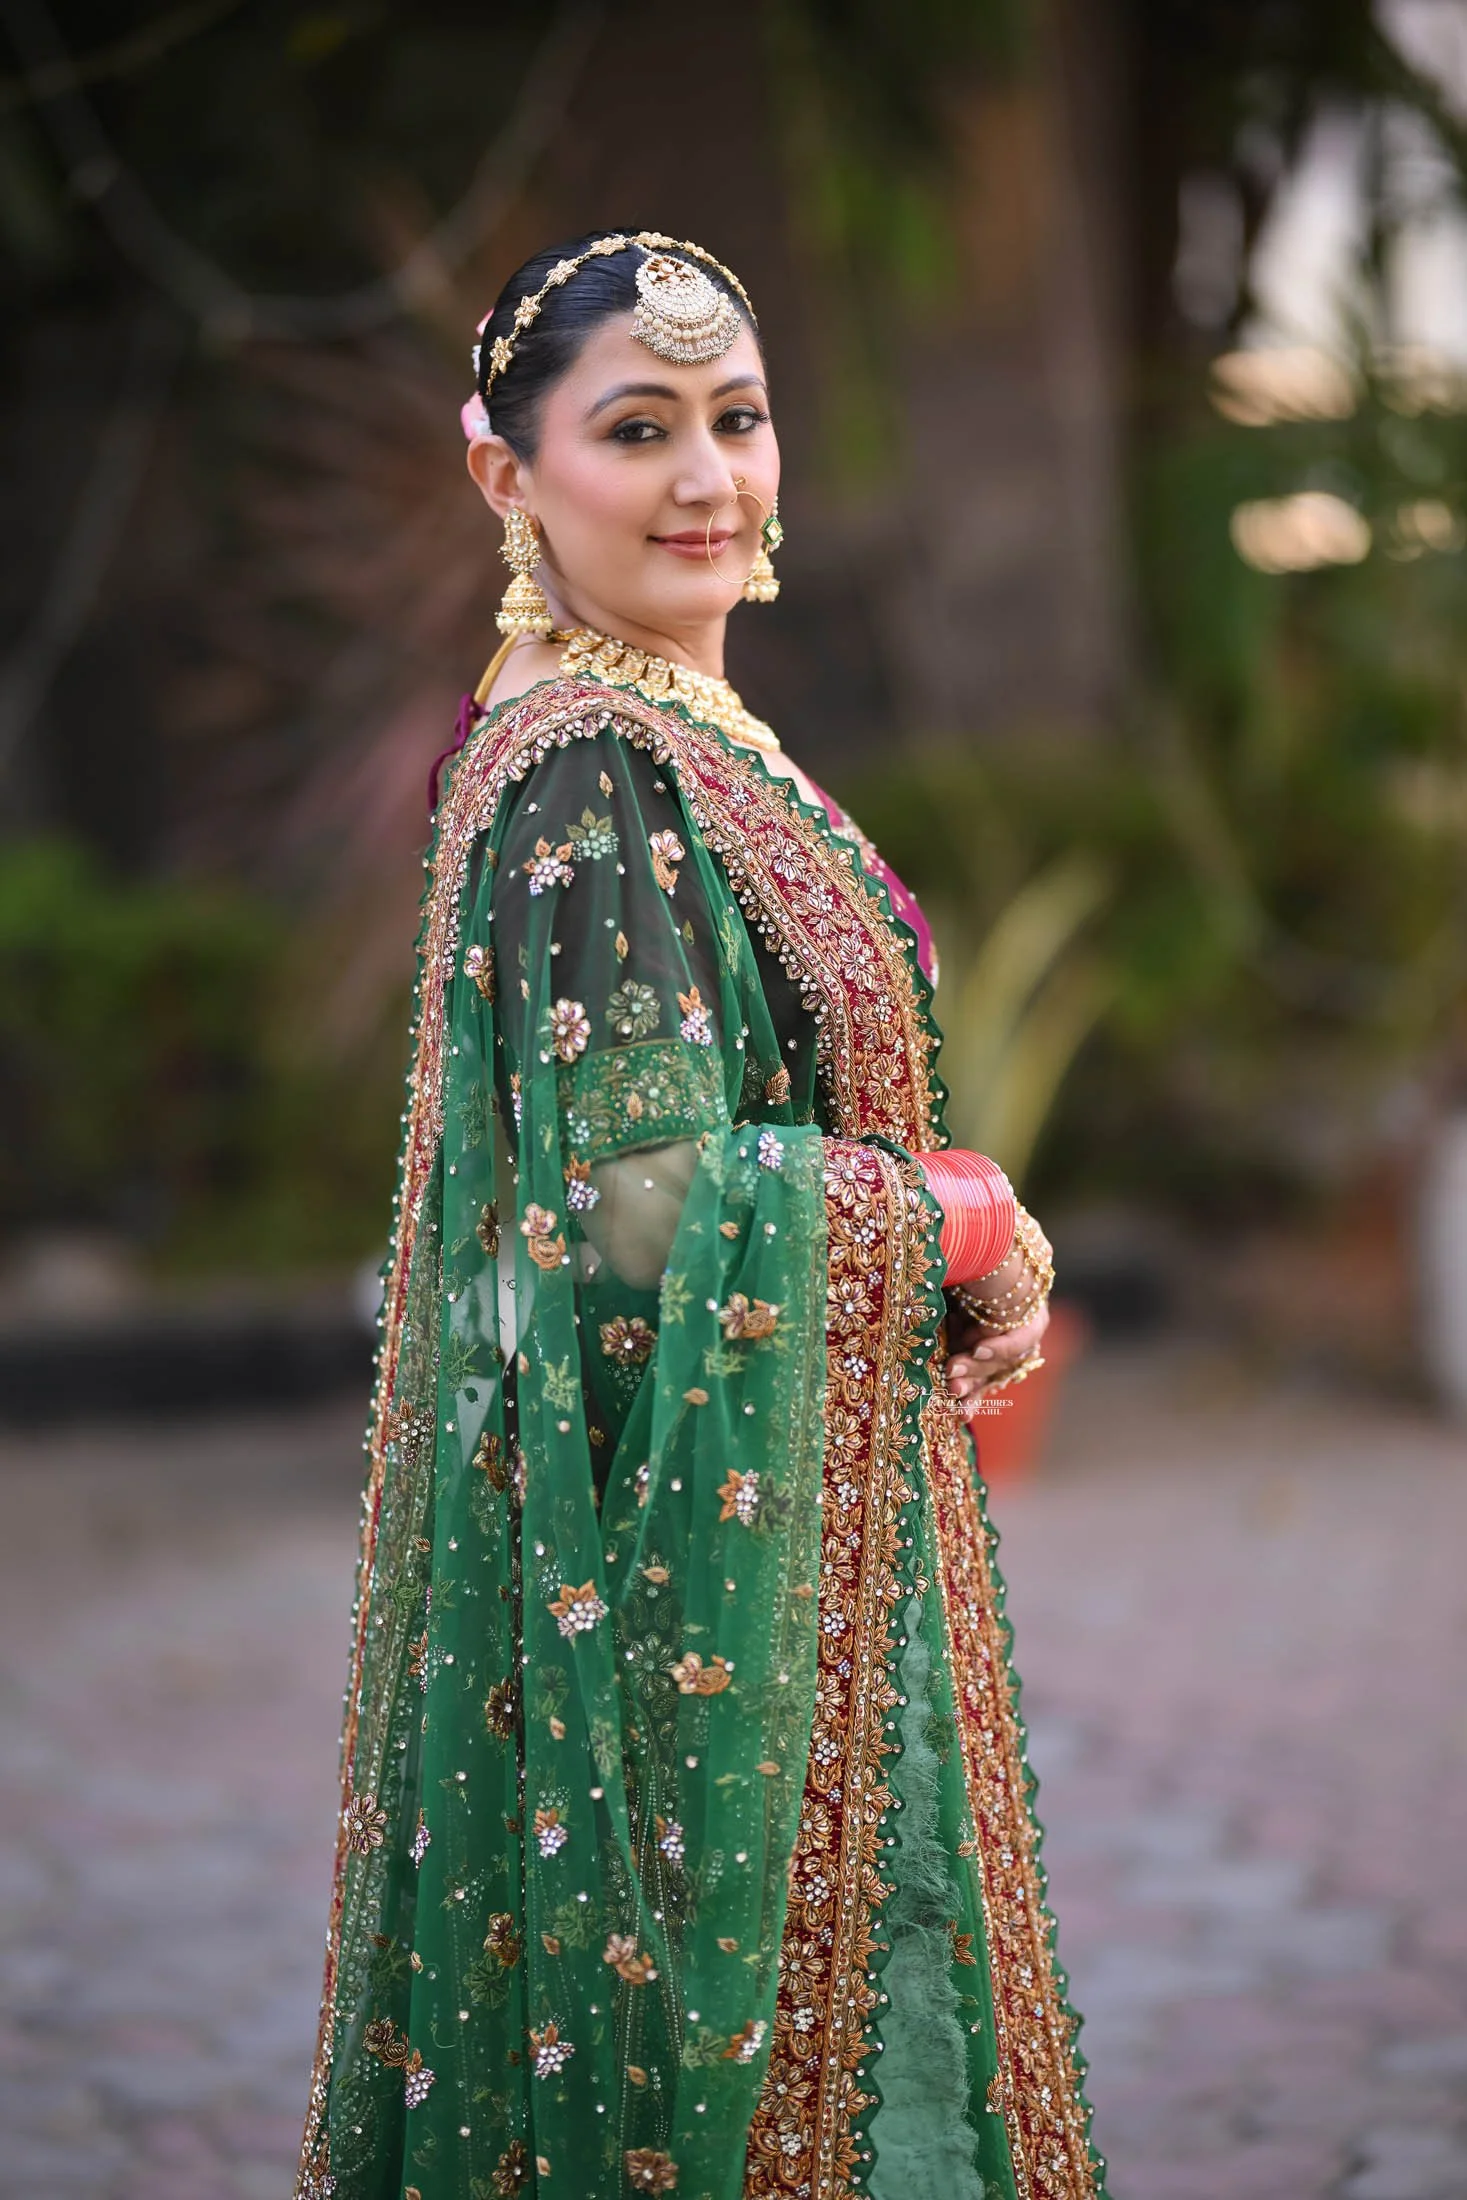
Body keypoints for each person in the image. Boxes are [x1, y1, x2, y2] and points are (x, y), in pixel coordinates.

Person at [296, 230, 1105, 2200]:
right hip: (668, 1579)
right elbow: (648, 1201)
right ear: (508, 476)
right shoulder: (591, 769)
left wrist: (937, 1236)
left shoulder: (670, 737)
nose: (703, 477)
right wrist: (959, 1213)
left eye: (734, 419)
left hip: (765, 1518)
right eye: (635, 427)